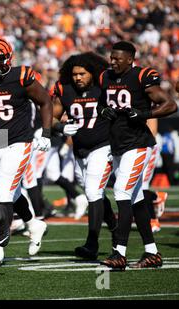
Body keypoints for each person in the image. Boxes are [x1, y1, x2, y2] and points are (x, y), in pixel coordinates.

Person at [99, 41, 177, 269]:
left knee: (122, 192)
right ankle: (152, 253)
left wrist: (144, 113)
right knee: (137, 199)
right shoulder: (105, 77)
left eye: (118, 58)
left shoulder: (141, 76)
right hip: (118, 144)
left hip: (138, 144)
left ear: (130, 59)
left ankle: (119, 252)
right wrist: (103, 109)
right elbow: (102, 103)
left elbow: (170, 105)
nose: (113, 61)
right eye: (111, 57)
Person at [0, 38, 51, 265]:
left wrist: (46, 133)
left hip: (19, 141)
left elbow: (45, 101)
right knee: (12, 191)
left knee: (4, 191)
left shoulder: (22, 76)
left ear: (7, 59)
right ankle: (34, 223)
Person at [51, 52, 117, 260]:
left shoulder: (103, 88)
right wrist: (61, 127)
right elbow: (50, 117)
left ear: (93, 73)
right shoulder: (66, 90)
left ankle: (92, 243)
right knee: (94, 191)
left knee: (92, 190)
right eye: (75, 74)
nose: (78, 78)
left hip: (103, 146)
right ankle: (116, 229)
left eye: (82, 74)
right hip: (79, 150)